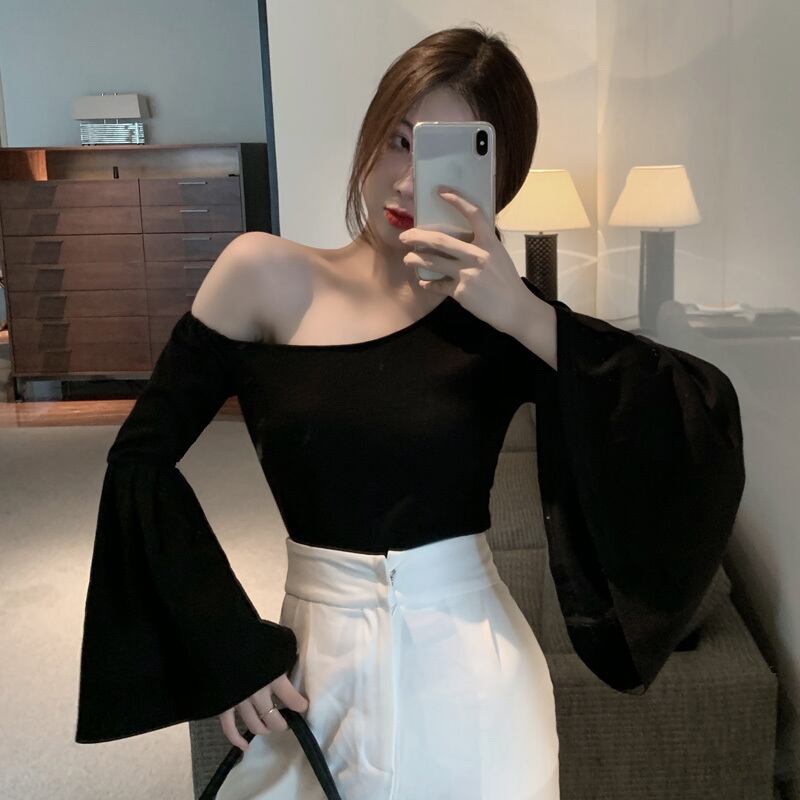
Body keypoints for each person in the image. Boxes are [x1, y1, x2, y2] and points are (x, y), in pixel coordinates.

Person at [73, 24, 746, 800]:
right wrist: (221, 640)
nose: (405, 182)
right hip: (314, 671)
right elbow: (139, 459)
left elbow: (694, 417)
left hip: (480, 685)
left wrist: (525, 314)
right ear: (371, 131)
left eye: (443, 159)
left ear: (495, 180)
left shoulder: (499, 317)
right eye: (400, 141)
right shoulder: (263, 274)